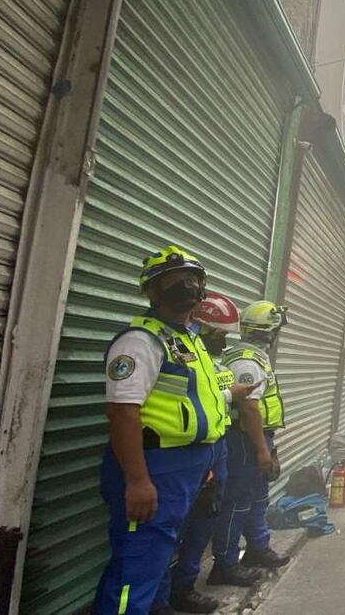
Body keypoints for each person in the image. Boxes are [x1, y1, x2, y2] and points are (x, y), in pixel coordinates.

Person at [92, 246, 228, 614]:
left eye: (192, 279)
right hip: (154, 465)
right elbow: (122, 413)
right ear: (151, 291)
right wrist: (137, 481)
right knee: (136, 567)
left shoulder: (188, 339)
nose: (185, 286)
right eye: (171, 280)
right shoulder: (140, 342)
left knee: (152, 557)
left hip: (188, 465)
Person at [169, 293, 262, 612]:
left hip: (214, 450)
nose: (224, 342)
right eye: (220, 335)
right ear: (202, 328)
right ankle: (162, 595)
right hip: (181, 455)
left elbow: (210, 398)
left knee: (204, 522)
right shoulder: (182, 358)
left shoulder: (214, 363)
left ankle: (183, 587)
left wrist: (229, 393)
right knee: (171, 530)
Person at [209, 301, 291, 585]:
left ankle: (257, 547)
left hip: (257, 436)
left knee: (258, 496)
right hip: (245, 439)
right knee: (238, 501)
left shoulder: (253, 357)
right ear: (269, 332)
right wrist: (261, 450)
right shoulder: (247, 361)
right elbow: (249, 409)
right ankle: (225, 563)